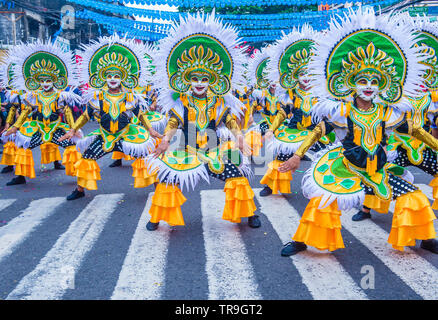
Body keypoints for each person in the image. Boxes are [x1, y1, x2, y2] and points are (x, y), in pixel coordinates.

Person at [279, 8, 438, 256]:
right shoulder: (343, 111)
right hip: (348, 170)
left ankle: (425, 238)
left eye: (374, 82)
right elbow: (319, 130)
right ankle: (301, 241)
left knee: (414, 197)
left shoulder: (387, 113)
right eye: (363, 81)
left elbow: (415, 130)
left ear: (382, 85)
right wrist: (298, 155)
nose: (369, 87)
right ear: (351, 83)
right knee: (322, 203)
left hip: (377, 172)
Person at [144, 12, 260, 231]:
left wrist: (241, 139)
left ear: (212, 80)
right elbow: (172, 124)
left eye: (204, 79)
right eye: (194, 78)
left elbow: (231, 121)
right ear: (186, 79)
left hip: (214, 150)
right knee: (166, 179)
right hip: (185, 150)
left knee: (237, 175)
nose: (199, 83)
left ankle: (250, 214)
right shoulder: (182, 101)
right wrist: (165, 141)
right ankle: (156, 217)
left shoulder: (218, 102)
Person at [353, 18, 438, 221]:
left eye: (426, 70)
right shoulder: (393, 94)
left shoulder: (432, 95)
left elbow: (433, 123)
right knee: (377, 174)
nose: (423, 74)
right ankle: (365, 209)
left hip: (420, 144)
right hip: (395, 144)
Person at [59, 34, 162, 200]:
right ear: (103, 78)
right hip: (105, 135)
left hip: (127, 134)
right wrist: (73, 129)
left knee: (146, 157)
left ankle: (159, 188)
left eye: (116, 76)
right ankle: (79, 190)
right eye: (109, 76)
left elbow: (140, 115)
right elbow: (86, 115)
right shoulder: (97, 97)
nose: (113, 79)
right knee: (87, 158)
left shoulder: (130, 96)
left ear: (122, 78)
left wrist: (151, 130)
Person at [258, 25, 335, 197]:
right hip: (294, 131)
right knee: (281, 157)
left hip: (316, 133)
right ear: (295, 76)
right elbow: (283, 113)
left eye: (309, 73)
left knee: (327, 160)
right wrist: (271, 129)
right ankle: (272, 185)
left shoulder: (321, 92)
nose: (306, 77)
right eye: (302, 73)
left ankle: (323, 190)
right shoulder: (291, 93)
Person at [3, 40, 82, 186]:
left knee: (71, 144)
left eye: (48, 80)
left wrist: (73, 128)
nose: (45, 83)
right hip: (38, 127)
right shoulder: (34, 96)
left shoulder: (60, 96)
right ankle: (20, 176)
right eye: (42, 80)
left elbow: (66, 112)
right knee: (22, 146)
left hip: (55, 127)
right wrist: (14, 126)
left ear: (55, 81)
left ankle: (78, 174)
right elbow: (26, 111)